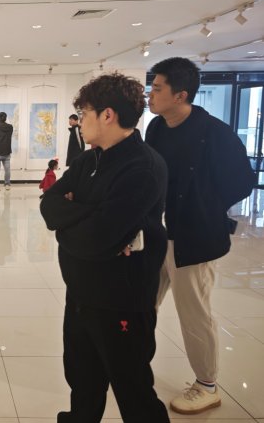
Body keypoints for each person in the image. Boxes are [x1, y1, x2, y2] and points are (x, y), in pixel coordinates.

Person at [41, 73, 170, 422]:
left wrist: (72, 222)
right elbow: (50, 206)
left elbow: (95, 238)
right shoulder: (88, 160)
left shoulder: (143, 167)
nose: (80, 121)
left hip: (121, 301)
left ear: (107, 115)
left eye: (84, 113)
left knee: (134, 391)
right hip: (80, 294)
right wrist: (86, 217)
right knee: (82, 382)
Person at [146, 57, 256, 414]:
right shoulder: (157, 128)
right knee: (142, 301)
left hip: (193, 237)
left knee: (193, 311)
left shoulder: (215, 133)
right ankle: (134, 363)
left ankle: (207, 384)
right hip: (157, 233)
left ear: (181, 95)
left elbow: (241, 181)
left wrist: (205, 206)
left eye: (157, 88)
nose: (150, 95)